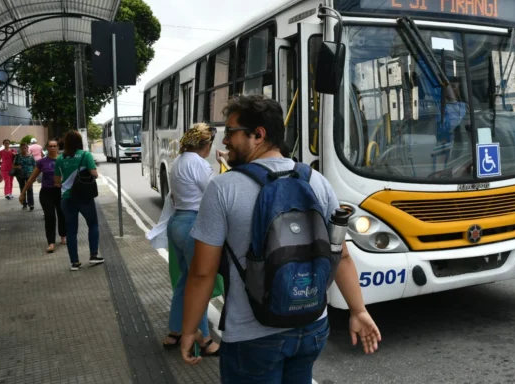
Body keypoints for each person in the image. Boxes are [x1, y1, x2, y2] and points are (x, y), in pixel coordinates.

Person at [180, 95, 381, 382]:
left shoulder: (223, 188)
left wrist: (188, 331)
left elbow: (203, 272)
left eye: (231, 133)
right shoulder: (315, 180)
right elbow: (342, 255)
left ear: (258, 135)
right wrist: (358, 311)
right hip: (312, 326)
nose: (224, 142)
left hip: (253, 336)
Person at [153, 123, 220, 356]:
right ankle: (205, 339)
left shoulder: (179, 161)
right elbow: (213, 193)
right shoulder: (199, 163)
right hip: (194, 225)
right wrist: (221, 166)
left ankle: (175, 332)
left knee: (184, 281)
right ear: (206, 144)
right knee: (198, 283)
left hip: (177, 223)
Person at [54, 130, 104, 271]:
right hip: (84, 197)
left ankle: (74, 263)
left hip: (67, 198)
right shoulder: (85, 155)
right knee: (93, 224)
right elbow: (94, 173)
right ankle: (93, 255)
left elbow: (57, 181)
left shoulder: (60, 158)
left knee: (71, 231)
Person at [21, 139, 67, 253]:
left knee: (62, 215)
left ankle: (63, 236)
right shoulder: (42, 162)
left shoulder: (64, 160)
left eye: (54, 146)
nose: (52, 148)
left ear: (58, 148)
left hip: (61, 192)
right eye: (50, 146)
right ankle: (51, 242)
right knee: (50, 217)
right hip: (46, 193)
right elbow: (32, 178)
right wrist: (23, 193)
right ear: (46, 148)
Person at [14, 143, 36, 211]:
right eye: (22, 148)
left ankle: (31, 204)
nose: (24, 149)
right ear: (20, 148)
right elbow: (13, 166)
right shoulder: (18, 156)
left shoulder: (31, 156)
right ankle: (24, 203)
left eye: (25, 148)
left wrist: (34, 176)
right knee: (22, 188)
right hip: (20, 175)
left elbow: (35, 166)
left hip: (29, 175)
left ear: (27, 148)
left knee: (30, 189)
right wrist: (18, 166)